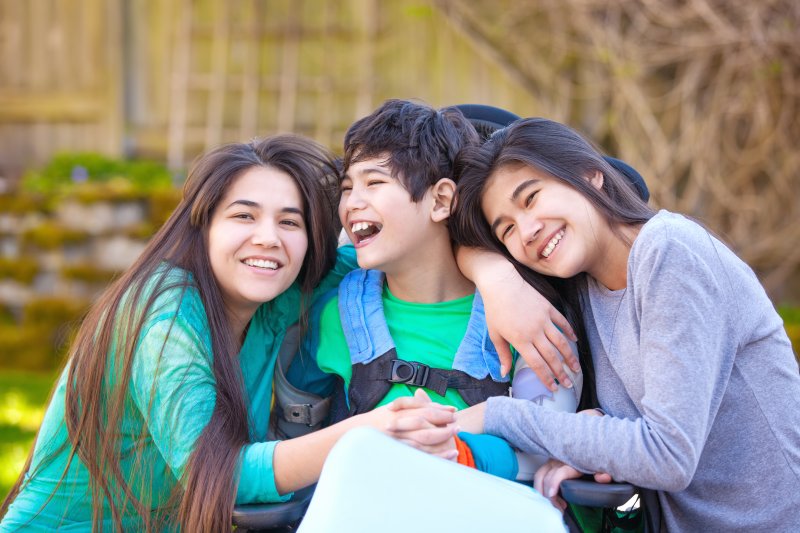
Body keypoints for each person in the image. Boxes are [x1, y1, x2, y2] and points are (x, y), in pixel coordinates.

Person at [0, 135, 458, 532]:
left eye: (289, 222)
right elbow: (218, 477)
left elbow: (396, 247)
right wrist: (368, 432)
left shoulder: (275, 299)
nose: (268, 238)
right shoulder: (164, 320)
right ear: (204, 227)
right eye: (244, 216)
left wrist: (496, 274)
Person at [448, 117, 800, 530]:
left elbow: (668, 455)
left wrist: (497, 415)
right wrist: (494, 275)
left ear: (590, 174)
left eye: (532, 198)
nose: (526, 231)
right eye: (506, 228)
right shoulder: (584, 291)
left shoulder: (669, 251)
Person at [280, 99, 585, 479]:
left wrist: (456, 450)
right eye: (347, 187)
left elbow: (544, 443)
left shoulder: (526, 316)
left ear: (440, 200)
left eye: (374, 182)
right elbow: (297, 440)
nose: (352, 203)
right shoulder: (337, 315)